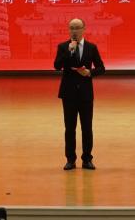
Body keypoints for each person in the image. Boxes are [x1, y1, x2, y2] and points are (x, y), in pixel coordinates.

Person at [54, 18, 105, 170]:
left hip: (85, 93)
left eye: (77, 27)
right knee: (70, 128)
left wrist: (89, 72)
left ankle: (87, 159)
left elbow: (101, 68)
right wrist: (69, 51)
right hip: (68, 93)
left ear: (84, 29)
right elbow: (57, 66)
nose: (74, 31)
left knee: (87, 128)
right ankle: (70, 160)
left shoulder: (91, 47)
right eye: (71, 28)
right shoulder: (63, 47)